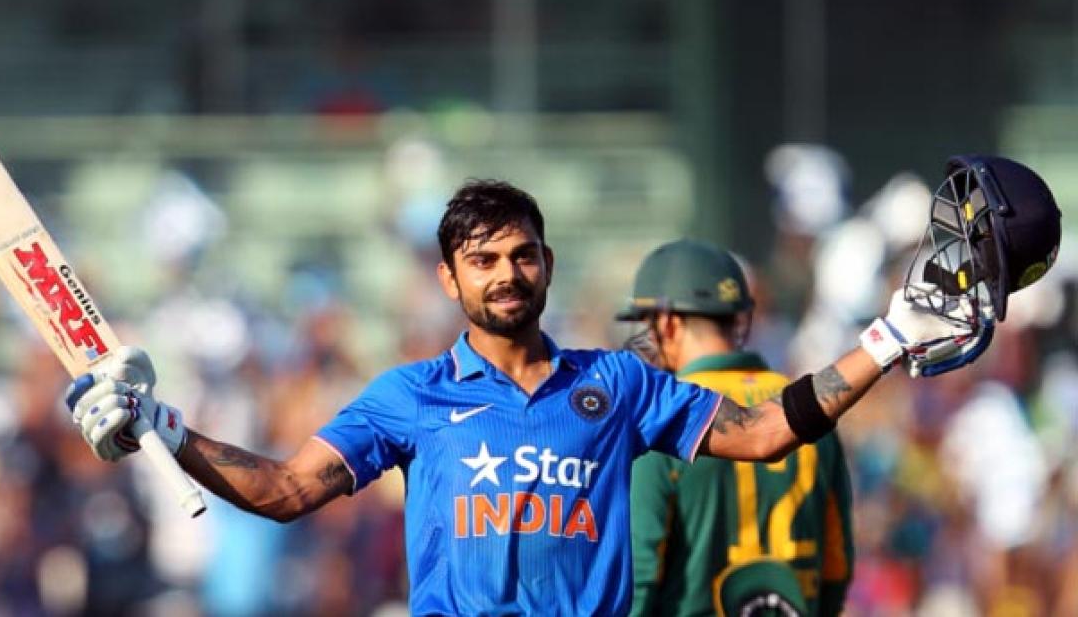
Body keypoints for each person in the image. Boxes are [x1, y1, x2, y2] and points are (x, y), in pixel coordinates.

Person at [64, 179, 984, 615]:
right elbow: (284, 490)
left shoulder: (617, 381)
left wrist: (888, 338)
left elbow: (761, 434)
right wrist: (165, 430)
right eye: (483, 260)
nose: (506, 274)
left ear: (547, 263)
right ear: (449, 279)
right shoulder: (410, 396)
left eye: (522, 255)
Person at [617, 239, 852, 617]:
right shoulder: (808, 410)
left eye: (646, 322)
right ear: (740, 319)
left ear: (668, 323)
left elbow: (639, 578)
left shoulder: (664, 415)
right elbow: (836, 569)